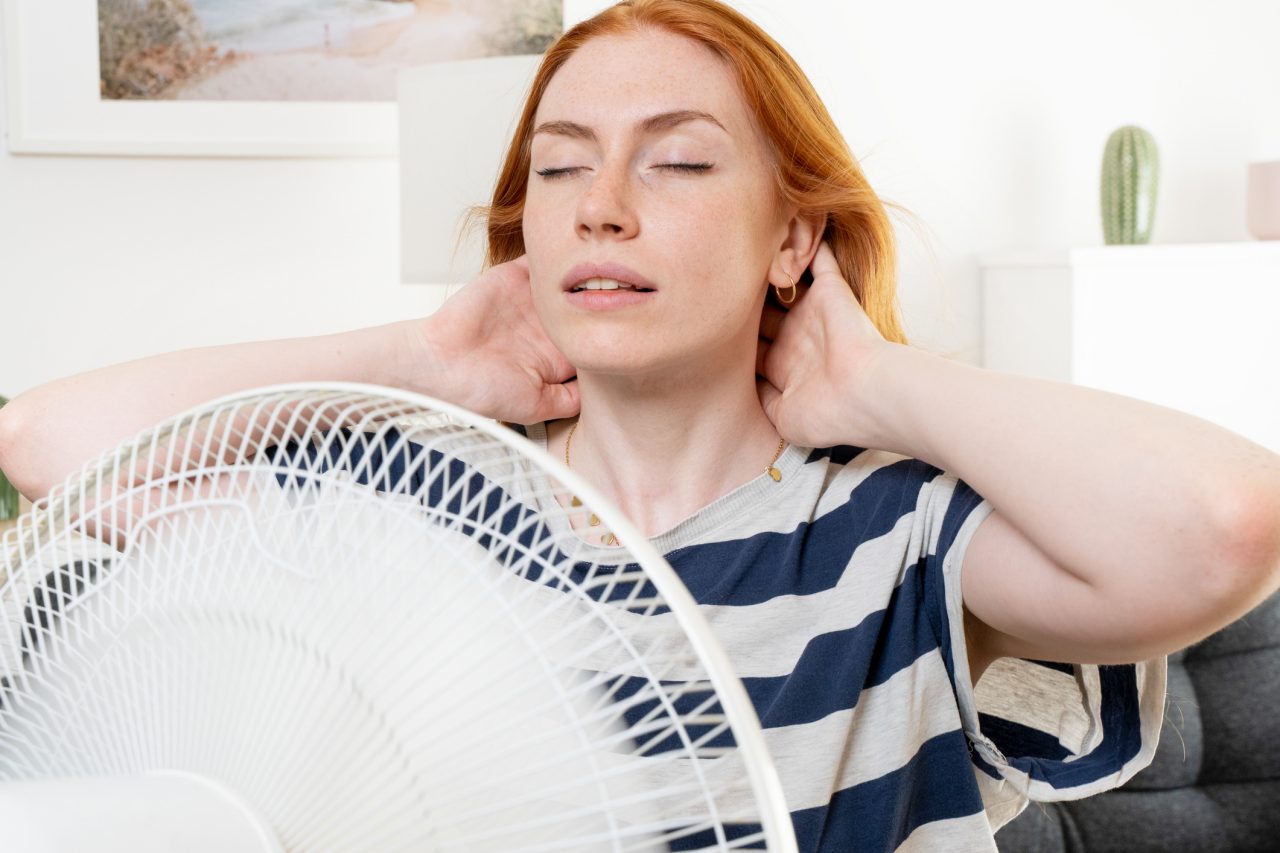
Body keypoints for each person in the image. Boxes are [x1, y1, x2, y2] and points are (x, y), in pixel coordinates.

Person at [2, 0, 1278, 849]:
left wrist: (874, 383)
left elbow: (1221, 525)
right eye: (558, 166)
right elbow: (48, 444)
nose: (600, 205)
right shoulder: (410, 501)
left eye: (673, 160)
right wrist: (422, 361)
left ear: (790, 237)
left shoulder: (885, 531)